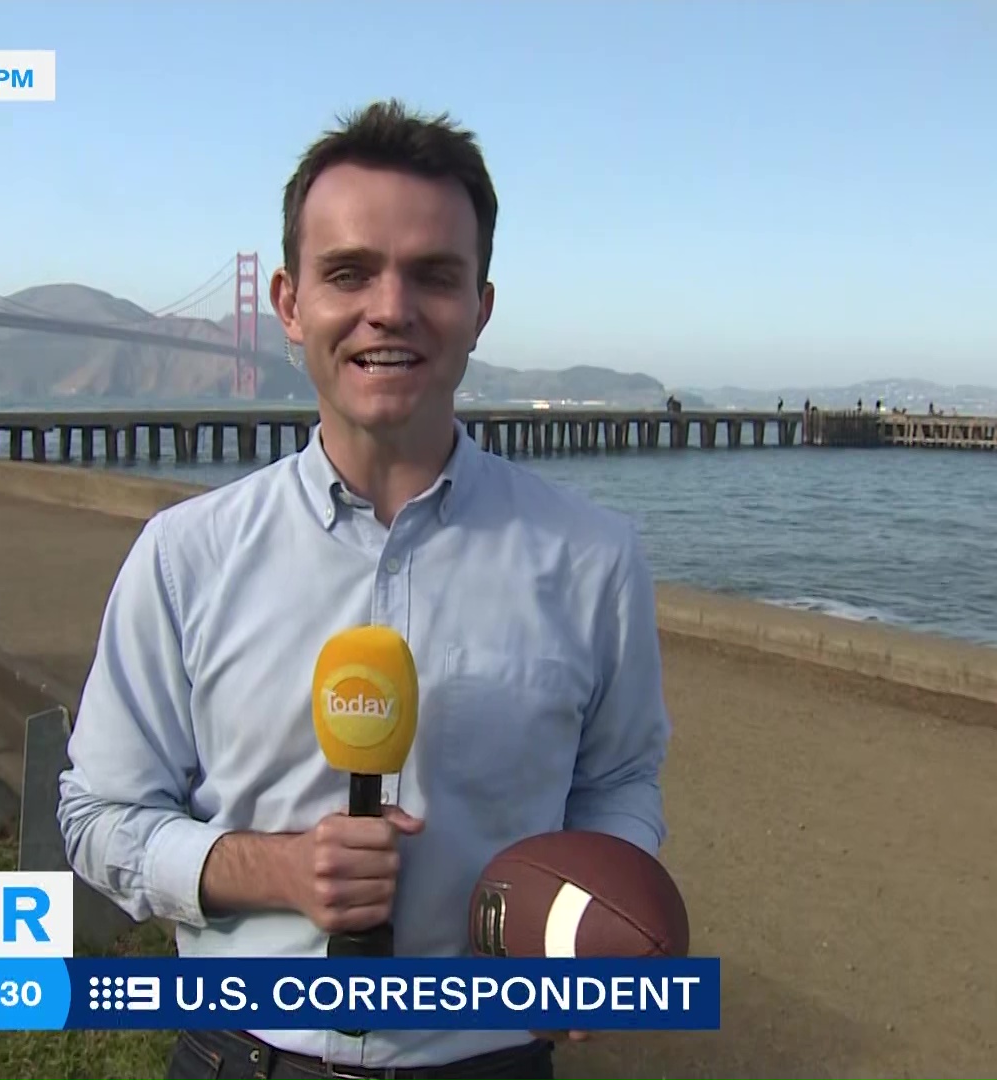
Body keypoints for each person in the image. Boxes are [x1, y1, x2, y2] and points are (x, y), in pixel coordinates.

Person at [57, 100, 670, 1080]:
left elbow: (619, 782)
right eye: (349, 273)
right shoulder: (184, 556)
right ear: (291, 304)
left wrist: (594, 914)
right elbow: (98, 815)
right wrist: (273, 868)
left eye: (434, 275)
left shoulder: (594, 560)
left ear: (481, 307)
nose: (391, 308)